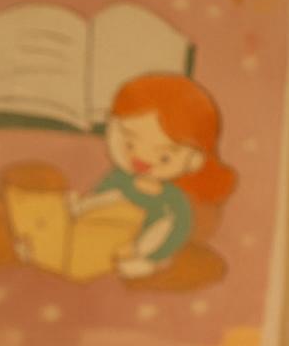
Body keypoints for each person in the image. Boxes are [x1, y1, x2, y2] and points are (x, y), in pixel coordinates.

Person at [74, 73, 237, 279]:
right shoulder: (118, 179)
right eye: (130, 144)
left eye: (164, 157)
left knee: (160, 229)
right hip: (101, 238)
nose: (142, 159)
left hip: (139, 248)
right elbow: (99, 199)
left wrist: (141, 251)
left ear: (193, 160)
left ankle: (142, 262)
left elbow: (174, 234)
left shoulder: (173, 201)